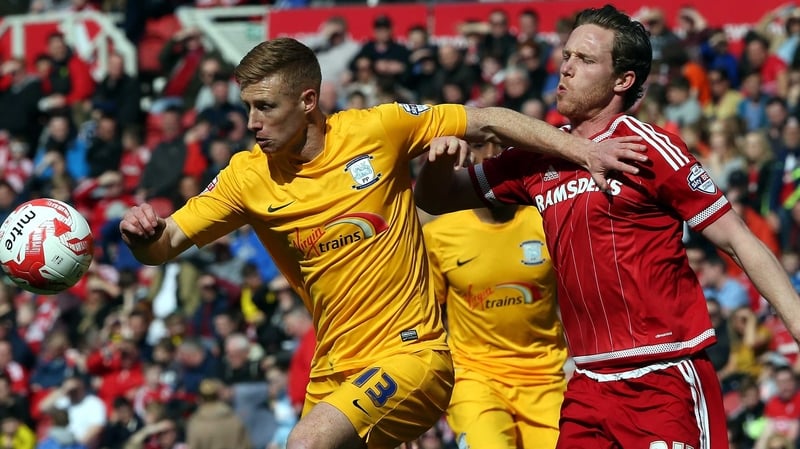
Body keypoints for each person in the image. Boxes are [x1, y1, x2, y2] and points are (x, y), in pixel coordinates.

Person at [119, 37, 644, 449]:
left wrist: (582, 152)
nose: (252, 122)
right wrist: (143, 235)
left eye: (265, 106)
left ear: (308, 101)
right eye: (247, 107)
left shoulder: (378, 129)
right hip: (334, 370)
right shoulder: (246, 177)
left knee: (304, 443)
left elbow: (486, 119)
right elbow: (165, 245)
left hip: (412, 355)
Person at [414, 5, 800, 449]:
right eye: (566, 55)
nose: (566, 68)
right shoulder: (538, 157)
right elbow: (435, 198)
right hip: (589, 385)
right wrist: (437, 162)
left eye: (585, 59)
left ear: (623, 80)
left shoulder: (646, 148)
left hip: (664, 377)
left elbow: (736, 239)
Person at [421, 141, 566, 449]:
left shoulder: (547, 221)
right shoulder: (439, 235)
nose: (490, 155)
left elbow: (576, 302)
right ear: (465, 156)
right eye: (479, 146)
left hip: (545, 377)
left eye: (501, 145)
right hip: (475, 376)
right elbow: (427, 321)